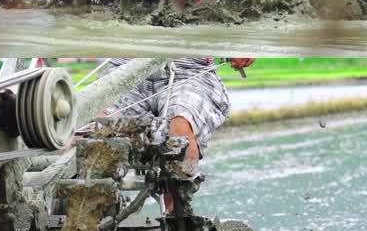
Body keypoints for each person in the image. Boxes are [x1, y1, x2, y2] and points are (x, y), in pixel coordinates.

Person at [104, 57, 254, 174]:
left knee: (180, 127)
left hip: (189, 73)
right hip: (125, 71)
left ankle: (177, 209)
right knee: (96, 127)